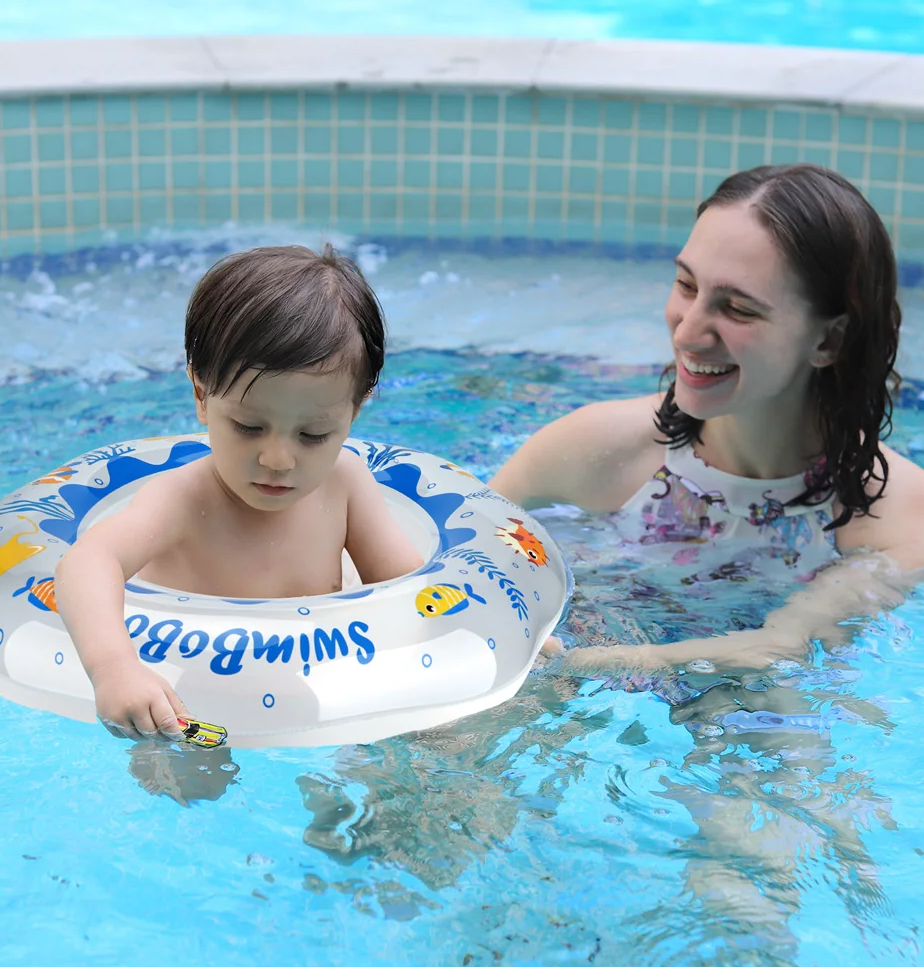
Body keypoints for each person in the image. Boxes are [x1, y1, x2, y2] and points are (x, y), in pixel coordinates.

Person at [491, 164, 924, 673]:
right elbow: (455, 550)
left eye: (738, 308)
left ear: (829, 341)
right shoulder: (596, 447)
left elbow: (777, 650)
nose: (688, 333)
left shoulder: (896, 515)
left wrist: (569, 666)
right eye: (686, 285)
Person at [55, 244, 423, 741]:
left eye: (313, 436)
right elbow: (87, 561)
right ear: (202, 397)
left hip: (321, 698)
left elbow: (412, 590)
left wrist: (501, 627)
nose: (278, 459)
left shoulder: (346, 484)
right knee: (196, 775)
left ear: (353, 414)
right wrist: (113, 666)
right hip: (190, 701)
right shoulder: (181, 500)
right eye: (249, 427)